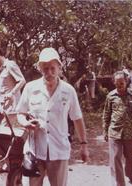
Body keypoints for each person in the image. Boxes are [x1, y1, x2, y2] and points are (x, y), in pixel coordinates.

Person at [16, 47, 89, 186]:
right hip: (35, 150)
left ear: (59, 68)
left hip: (59, 148)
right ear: (39, 68)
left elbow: (77, 118)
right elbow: (20, 113)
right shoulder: (30, 88)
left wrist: (84, 145)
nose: (49, 72)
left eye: (52, 68)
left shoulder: (68, 91)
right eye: (45, 68)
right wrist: (25, 123)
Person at [103, 71, 132, 186]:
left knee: (131, 157)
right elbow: (106, 114)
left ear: (126, 82)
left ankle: (130, 174)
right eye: (117, 84)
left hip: (130, 133)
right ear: (114, 83)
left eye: (121, 83)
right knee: (116, 158)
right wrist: (105, 130)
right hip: (114, 132)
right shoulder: (110, 96)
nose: (119, 86)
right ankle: (120, 183)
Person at [0, 47, 26, 119]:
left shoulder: (10, 65)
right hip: (2, 109)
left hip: (11, 110)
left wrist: (12, 93)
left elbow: (22, 80)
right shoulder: (0, 70)